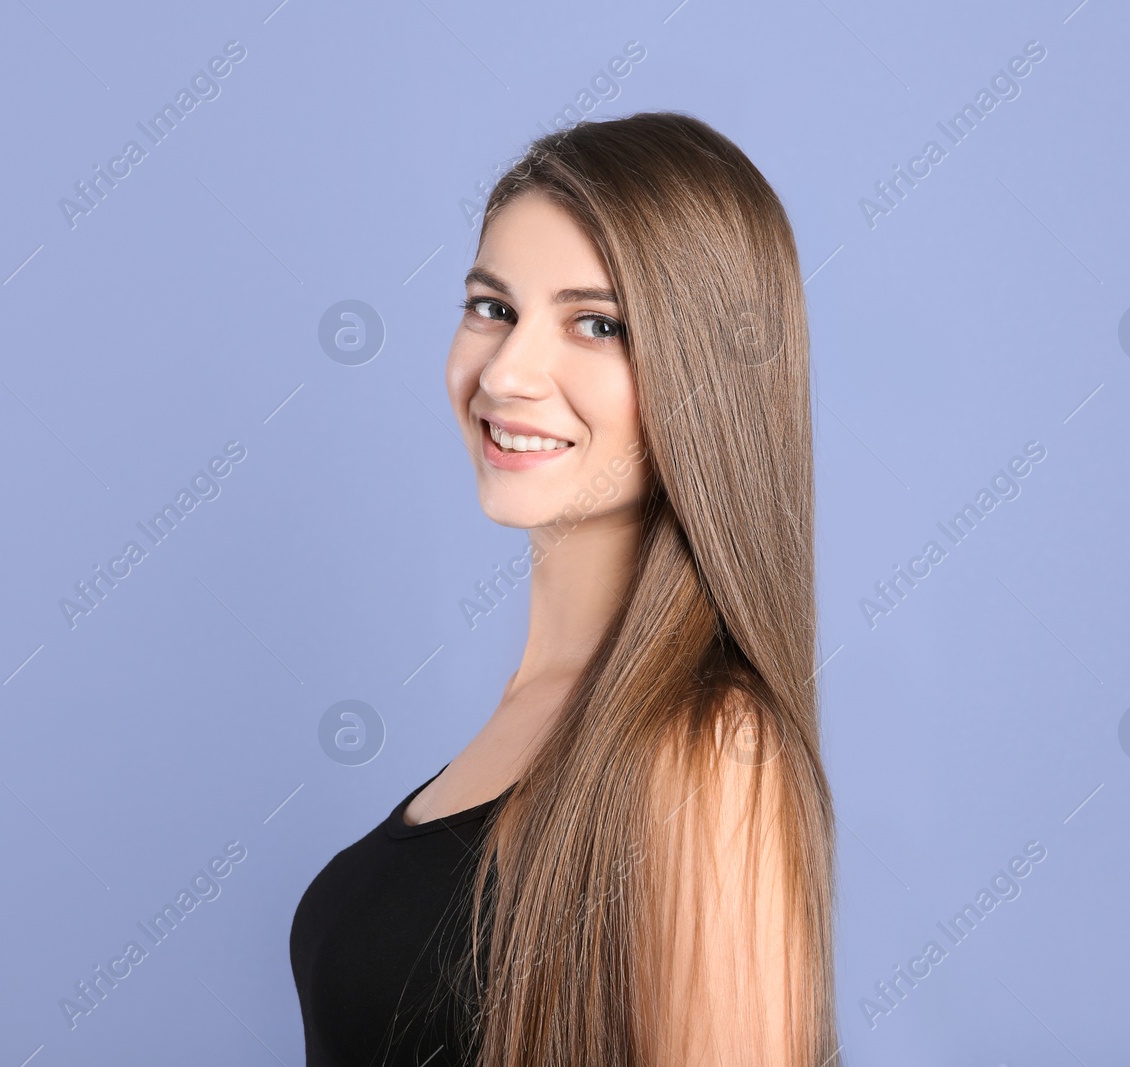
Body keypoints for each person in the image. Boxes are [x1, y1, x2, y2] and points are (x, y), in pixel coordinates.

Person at [290, 110, 839, 1067]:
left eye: (597, 324)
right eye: (492, 307)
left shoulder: (712, 749)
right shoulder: (533, 708)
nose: (507, 372)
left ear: (709, 374)